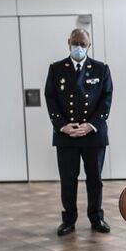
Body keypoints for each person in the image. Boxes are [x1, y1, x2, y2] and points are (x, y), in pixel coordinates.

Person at [44, 28, 113, 236]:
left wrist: (91, 125)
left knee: (95, 179)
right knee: (68, 179)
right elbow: (51, 98)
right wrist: (62, 126)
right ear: (68, 42)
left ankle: (96, 217)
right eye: (75, 43)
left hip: (93, 134)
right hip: (66, 135)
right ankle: (68, 220)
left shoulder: (101, 69)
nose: (79, 47)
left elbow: (106, 99)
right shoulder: (56, 69)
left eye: (83, 44)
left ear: (89, 45)